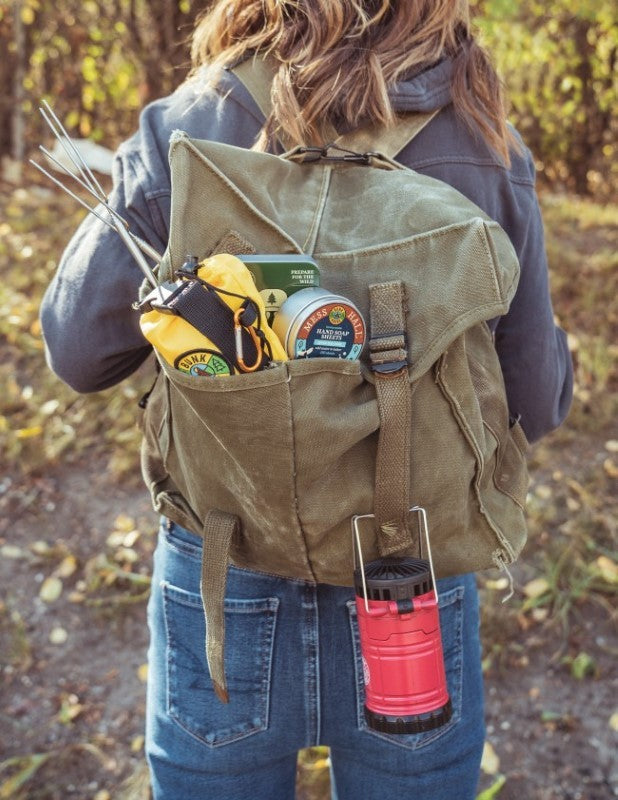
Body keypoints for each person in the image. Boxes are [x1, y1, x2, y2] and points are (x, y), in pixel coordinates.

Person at [40, 2, 573, 798]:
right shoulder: (485, 145)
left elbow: (76, 348)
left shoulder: (191, 123)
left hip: (224, 572)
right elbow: (537, 400)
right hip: (413, 581)